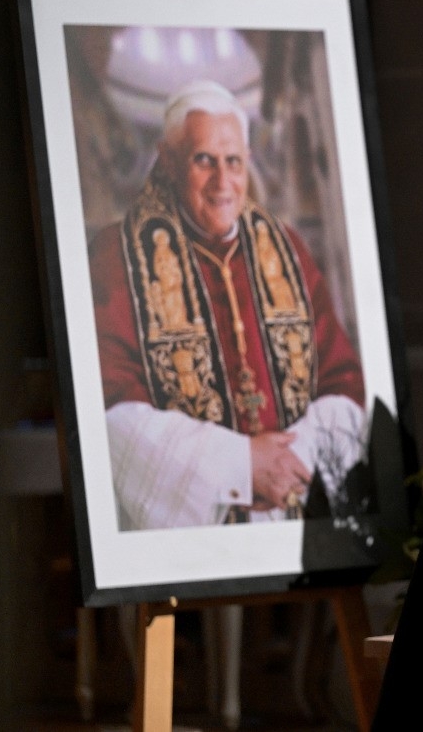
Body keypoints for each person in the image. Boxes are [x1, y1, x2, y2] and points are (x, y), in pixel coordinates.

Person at [88, 78, 367, 530]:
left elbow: (344, 381)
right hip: (194, 532)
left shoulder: (287, 249)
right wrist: (238, 466)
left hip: (290, 509)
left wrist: (294, 458)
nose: (223, 182)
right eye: (204, 161)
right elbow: (108, 409)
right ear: (170, 160)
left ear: (248, 163)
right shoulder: (116, 256)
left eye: (233, 162)